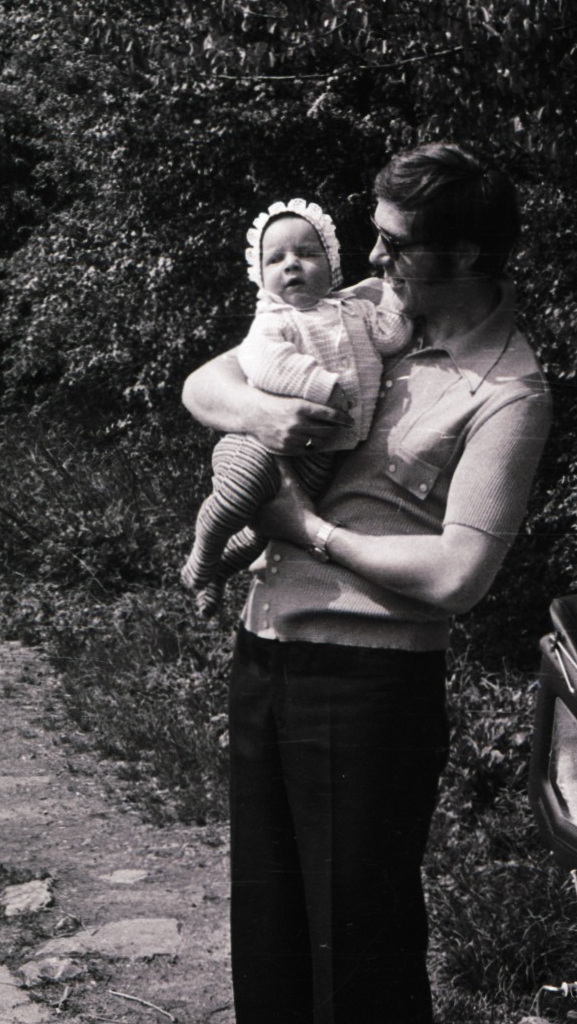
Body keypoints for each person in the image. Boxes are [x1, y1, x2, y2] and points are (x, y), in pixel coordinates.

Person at [181, 142, 552, 1023]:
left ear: (462, 256)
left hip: (372, 685)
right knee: (268, 931)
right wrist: (262, 412)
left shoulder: (509, 389)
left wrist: (307, 531)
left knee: (360, 952)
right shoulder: (359, 310)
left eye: (396, 243)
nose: (373, 257)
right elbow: (207, 381)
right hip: (266, 652)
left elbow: (460, 575)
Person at [179, 198, 412, 616]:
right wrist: (322, 386)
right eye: (277, 259)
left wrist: (396, 301)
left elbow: (391, 338)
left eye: (306, 254)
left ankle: (217, 574)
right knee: (237, 496)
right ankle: (202, 558)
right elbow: (266, 362)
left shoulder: (355, 309)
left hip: (321, 458)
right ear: (260, 276)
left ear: (331, 265)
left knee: (265, 529)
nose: (291, 265)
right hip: (260, 446)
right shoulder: (274, 319)